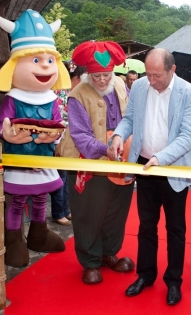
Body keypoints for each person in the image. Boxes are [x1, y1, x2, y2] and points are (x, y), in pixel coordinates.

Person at [108, 48, 191, 306]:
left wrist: (162, 158)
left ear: (172, 70)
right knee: (146, 226)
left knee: (175, 228)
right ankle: (145, 275)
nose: (151, 80)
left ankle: (174, 281)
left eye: (157, 75)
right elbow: (129, 119)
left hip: (170, 168)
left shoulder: (190, 93)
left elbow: (188, 135)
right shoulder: (138, 87)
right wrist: (118, 135)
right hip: (143, 166)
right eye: (147, 74)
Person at [0, 9, 71, 267]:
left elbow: (59, 124)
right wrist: (8, 135)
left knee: (40, 198)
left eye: (49, 60)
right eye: (36, 61)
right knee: (17, 201)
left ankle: (38, 235)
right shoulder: (13, 98)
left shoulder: (52, 99)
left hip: (44, 160)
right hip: (19, 160)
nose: (46, 66)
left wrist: (53, 136)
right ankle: (14, 240)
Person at [61, 41, 135, 285]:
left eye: (106, 75)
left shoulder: (121, 85)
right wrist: (106, 148)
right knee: (89, 213)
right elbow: (81, 136)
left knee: (116, 210)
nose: (103, 80)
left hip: (121, 160)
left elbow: (131, 116)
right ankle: (90, 261)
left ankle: (109, 253)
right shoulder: (77, 95)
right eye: (97, 76)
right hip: (90, 162)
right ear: (87, 74)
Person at [50, 61, 86, 226]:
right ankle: (59, 212)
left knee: (66, 177)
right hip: (58, 139)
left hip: (68, 139)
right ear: (76, 77)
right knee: (60, 177)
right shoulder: (60, 93)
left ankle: (65, 209)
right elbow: (60, 120)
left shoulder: (72, 92)